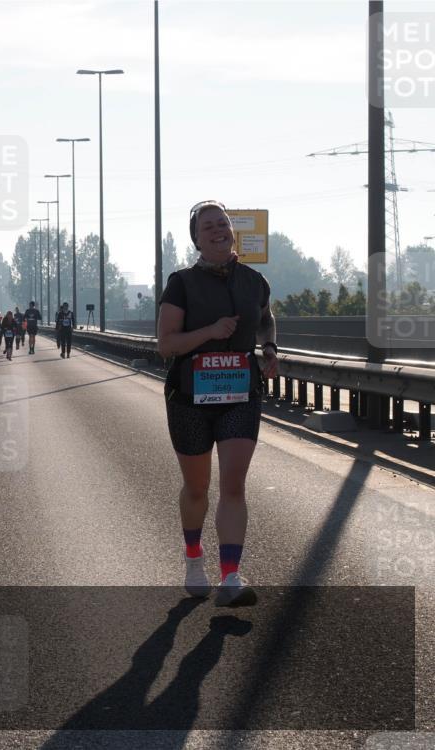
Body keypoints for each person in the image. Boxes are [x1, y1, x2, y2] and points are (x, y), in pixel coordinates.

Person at [157, 199, 278, 607]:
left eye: (222, 223)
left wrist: (269, 348)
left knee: (234, 484)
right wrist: (209, 332)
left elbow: (266, 318)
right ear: (196, 239)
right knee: (197, 488)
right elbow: (166, 344)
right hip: (189, 398)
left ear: (232, 231)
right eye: (208, 226)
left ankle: (230, 577)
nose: (217, 230)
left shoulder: (253, 281)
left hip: (240, 395)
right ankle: (194, 558)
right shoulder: (181, 283)